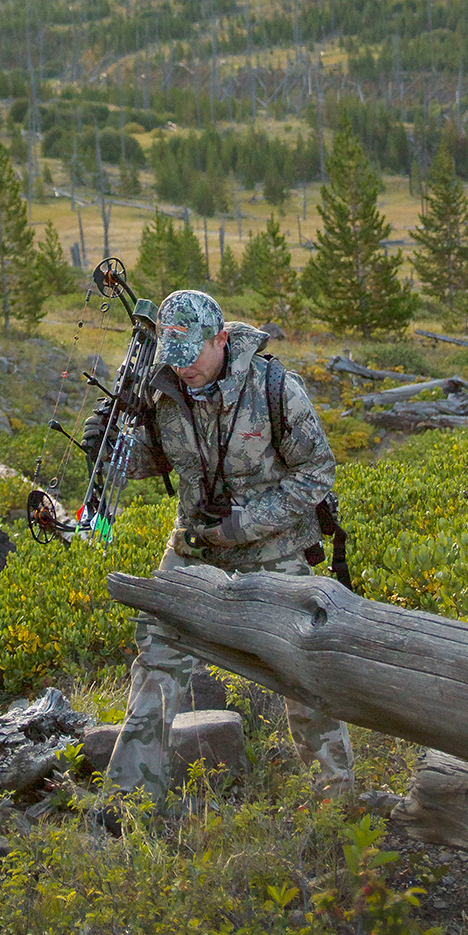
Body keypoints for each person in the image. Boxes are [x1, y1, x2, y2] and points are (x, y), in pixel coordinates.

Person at [83, 289, 354, 807]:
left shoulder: (276, 388)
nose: (184, 369)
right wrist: (110, 447)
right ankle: (130, 805)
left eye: (193, 357)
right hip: (194, 546)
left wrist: (246, 525)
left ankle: (336, 804)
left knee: (304, 671)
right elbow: (155, 461)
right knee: (156, 659)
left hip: (273, 547)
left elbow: (317, 474)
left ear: (222, 339)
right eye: (174, 357)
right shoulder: (164, 388)